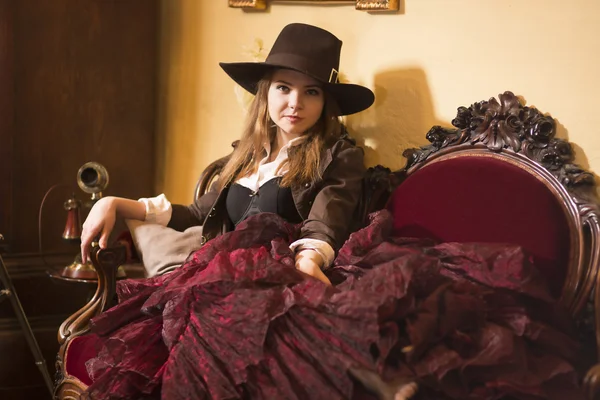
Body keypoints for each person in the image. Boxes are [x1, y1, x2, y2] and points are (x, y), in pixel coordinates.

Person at [79, 23, 582, 400]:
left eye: (311, 91)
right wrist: (116, 203)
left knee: (229, 325)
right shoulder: (246, 155)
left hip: (290, 264)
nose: (294, 103)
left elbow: (330, 214)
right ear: (265, 93)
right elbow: (198, 212)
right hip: (225, 275)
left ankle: (376, 377)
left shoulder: (336, 152)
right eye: (283, 88)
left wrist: (309, 260)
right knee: (190, 323)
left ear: (327, 101)